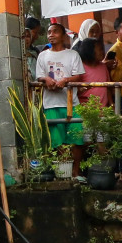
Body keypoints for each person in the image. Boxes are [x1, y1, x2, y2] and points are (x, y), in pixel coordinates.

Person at [36, 21, 84, 157]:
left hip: (71, 104)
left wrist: (65, 80)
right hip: (51, 104)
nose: (51, 35)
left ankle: (76, 173)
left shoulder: (72, 55)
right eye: (49, 32)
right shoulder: (42, 55)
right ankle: (63, 173)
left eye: (55, 31)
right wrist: (46, 79)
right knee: (57, 141)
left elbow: (78, 76)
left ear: (64, 36)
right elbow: (39, 76)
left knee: (76, 139)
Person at [73, 37, 113, 107]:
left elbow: (107, 88)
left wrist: (111, 104)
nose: (102, 52)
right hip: (86, 110)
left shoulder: (103, 66)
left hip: (103, 110)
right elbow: (74, 90)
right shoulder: (79, 67)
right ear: (90, 50)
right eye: (100, 49)